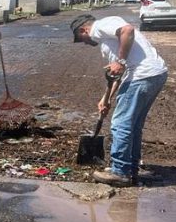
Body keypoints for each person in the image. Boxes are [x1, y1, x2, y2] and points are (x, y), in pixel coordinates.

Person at [71, 14, 168, 187]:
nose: (85, 43)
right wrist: (106, 98)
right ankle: (131, 168)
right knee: (133, 125)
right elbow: (115, 74)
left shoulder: (101, 26)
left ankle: (120, 172)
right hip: (154, 75)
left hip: (142, 75)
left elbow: (127, 30)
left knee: (120, 124)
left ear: (84, 29)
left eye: (81, 39)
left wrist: (121, 61)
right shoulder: (108, 42)